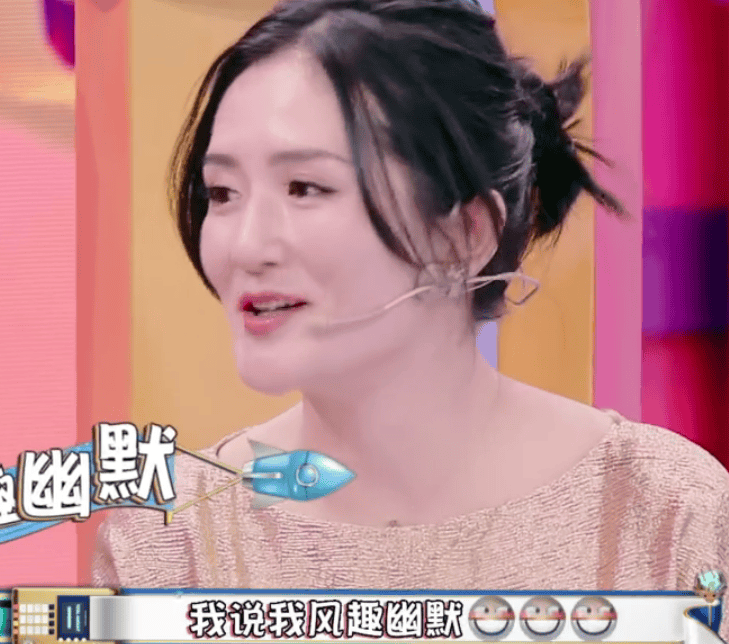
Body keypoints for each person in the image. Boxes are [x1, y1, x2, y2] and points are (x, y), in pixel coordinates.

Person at [91, 0, 729, 611]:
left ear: (466, 234)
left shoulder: (663, 515)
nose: (245, 245)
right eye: (222, 193)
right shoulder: (170, 542)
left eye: (304, 187)